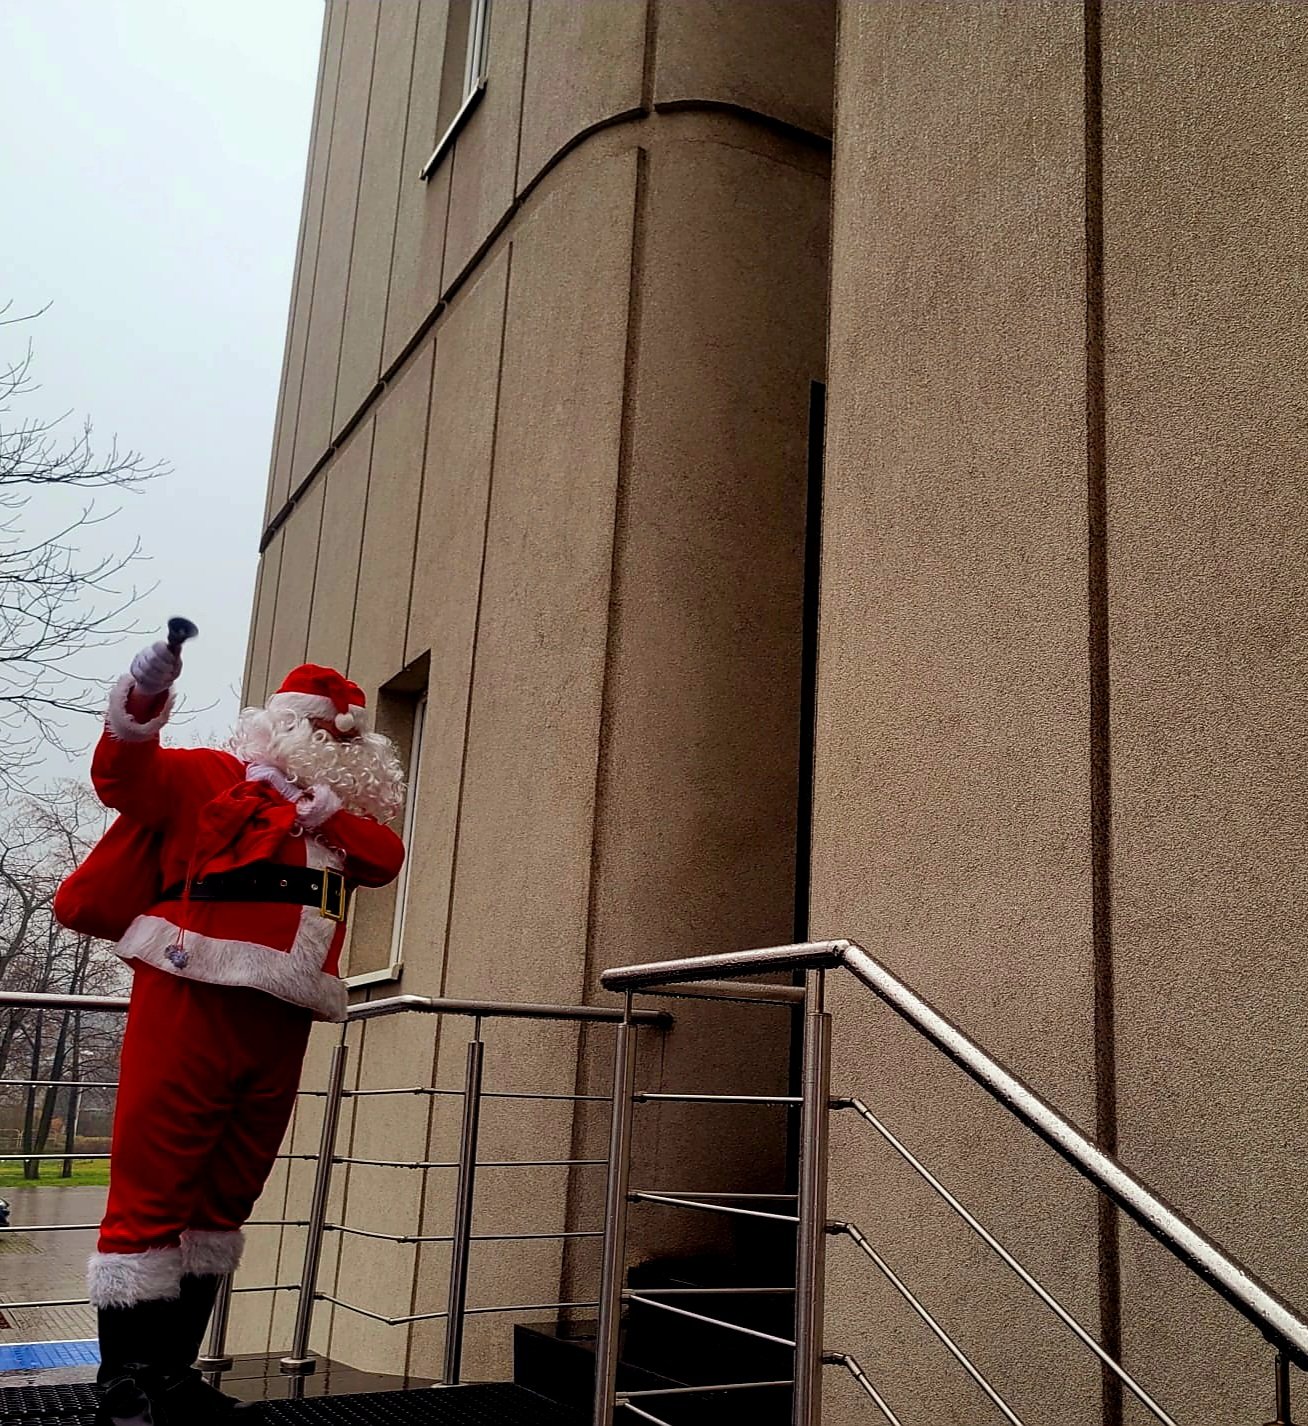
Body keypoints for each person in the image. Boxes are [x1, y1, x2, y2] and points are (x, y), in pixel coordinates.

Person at [70, 631, 405, 1424]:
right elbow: (124, 775)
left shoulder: (342, 823)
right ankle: (125, 1387)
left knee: (226, 1194)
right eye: (319, 732)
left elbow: (386, 859)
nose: (331, 748)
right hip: (190, 999)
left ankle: (170, 1376)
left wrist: (330, 813)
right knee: (155, 1185)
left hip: (281, 1019)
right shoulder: (213, 777)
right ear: (282, 725)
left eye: (343, 741)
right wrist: (144, 697)